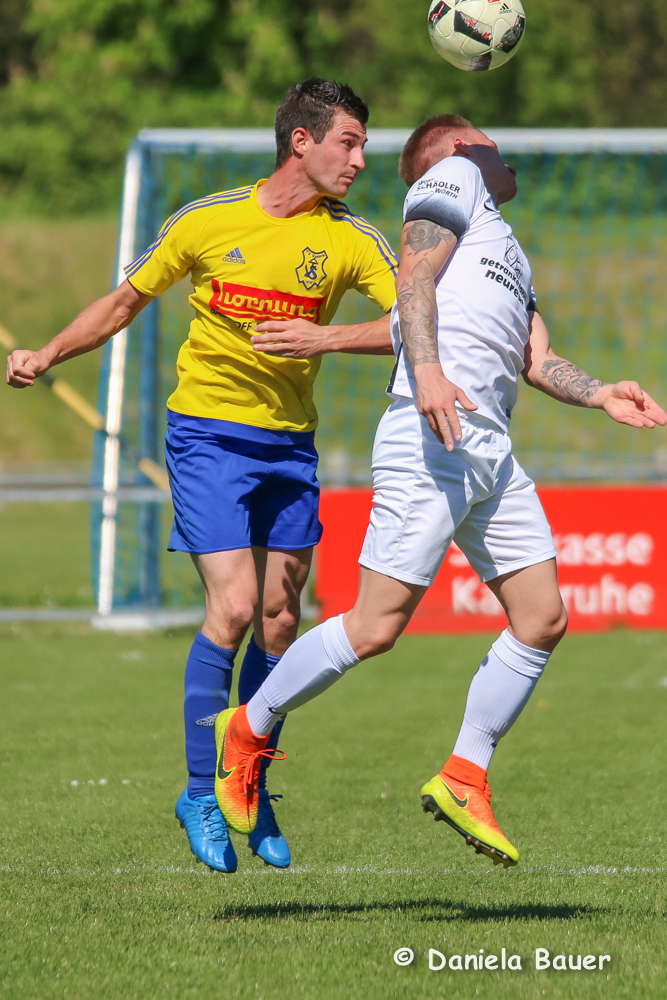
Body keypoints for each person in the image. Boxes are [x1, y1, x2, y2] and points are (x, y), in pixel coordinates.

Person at [212, 114, 667, 866]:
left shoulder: (505, 246)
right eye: (489, 140)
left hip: (489, 447)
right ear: (458, 148)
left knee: (542, 617)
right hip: (433, 433)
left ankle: (464, 776)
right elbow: (413, 277)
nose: (504, 152)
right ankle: (248, 728)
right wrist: (425, 370)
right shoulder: (452, 178)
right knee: (374, 627)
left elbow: (535, 358)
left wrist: (599, 393)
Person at [5, 78, 399, 873]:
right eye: (349, 142)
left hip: (290, 445)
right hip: (207, 437)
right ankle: (198, 792)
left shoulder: (352, 240)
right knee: (237, 606)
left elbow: (416, 322)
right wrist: (47, 352)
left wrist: (323, 339)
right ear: (301, 142)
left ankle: (247, 783)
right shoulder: (207, 220)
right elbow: (122, 304)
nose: (360, 159)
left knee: (281, 622)